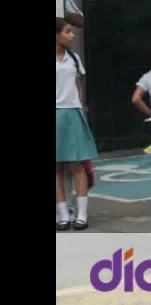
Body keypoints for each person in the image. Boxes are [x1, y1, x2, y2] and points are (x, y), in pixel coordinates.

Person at [56, 17, 98, 231]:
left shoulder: (74, 58)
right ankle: (63, 215)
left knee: (78, 167)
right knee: (57, 169)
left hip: (73, 114)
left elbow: (78, 87)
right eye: (68, 31)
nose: (72, 35)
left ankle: (81, 214)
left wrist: (81, 110)